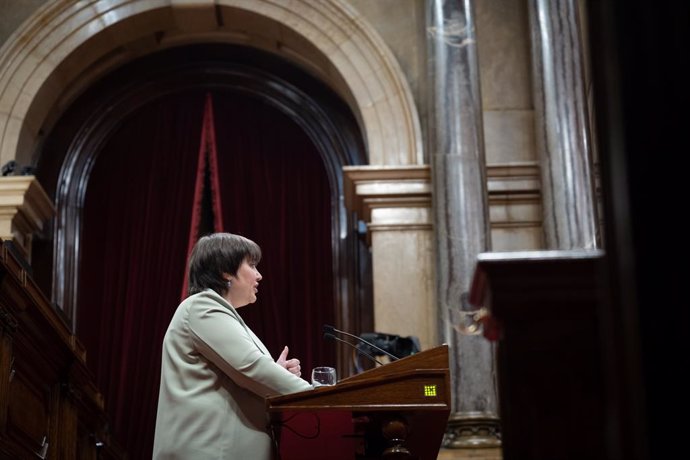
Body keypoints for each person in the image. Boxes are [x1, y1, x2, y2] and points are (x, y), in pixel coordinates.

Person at [153, 232, 313, 459]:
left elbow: (248, 372)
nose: (259, 276)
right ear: (224, 271)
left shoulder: (224, 316)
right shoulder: (203, 307)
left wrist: (276, 372)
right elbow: (252, 368)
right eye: (252, 265)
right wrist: (319, 397)